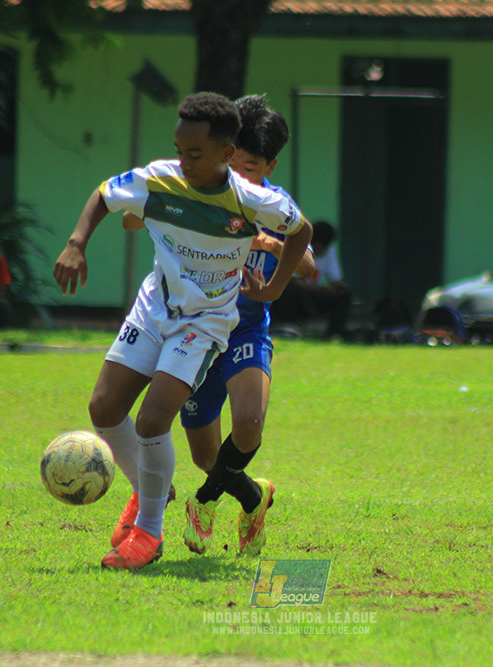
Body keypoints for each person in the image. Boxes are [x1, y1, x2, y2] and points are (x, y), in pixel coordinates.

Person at [52, 91, 313, 571]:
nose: (184, 161)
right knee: (104, 409)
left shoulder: (252, 199)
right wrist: (76, 243)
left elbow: (302, 232)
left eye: (195, 153)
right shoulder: (161, 179)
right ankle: (150, 489)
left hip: (206, 323)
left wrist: (273, 289)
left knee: (153, 421)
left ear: (226, 155)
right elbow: (105, 196)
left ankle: (148, 534)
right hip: (155, 308)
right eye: (180, 150)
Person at [177, 94, 314, 559]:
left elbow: (309, 263)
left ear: (270, 164)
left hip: (246, 331)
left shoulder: (274, 203)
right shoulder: (200, 188)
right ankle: (253, 497)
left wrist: (273, 249)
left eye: (252, 165)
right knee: (205, 457)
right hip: (196, 332)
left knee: (250, 424)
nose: (241, 173)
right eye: (234, 160)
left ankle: (204, 501)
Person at [270, 220, 351, 339]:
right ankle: (287, 326)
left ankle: (335, 332)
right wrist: (322, 290)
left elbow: (335, 278)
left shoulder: (329, 251)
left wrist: (339, 288)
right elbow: (293, 281)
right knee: (288, 291)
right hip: (299, 294)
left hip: (314, 294)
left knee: (344, 295)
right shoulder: (296, 246)